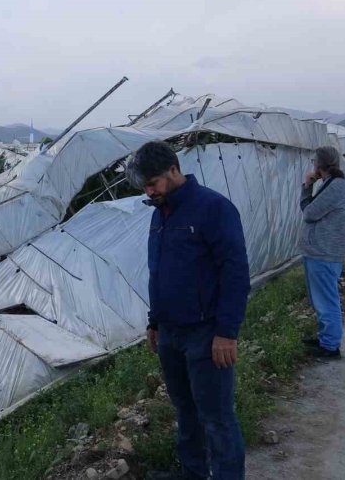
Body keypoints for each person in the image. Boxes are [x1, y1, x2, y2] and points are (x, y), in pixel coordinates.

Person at [128, 141, 250, 480]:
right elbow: (159, 272)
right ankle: (193, 473)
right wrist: (154, 322)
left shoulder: (213, 208)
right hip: (170, 333)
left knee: (217, 417)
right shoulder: (160, 214)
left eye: (152, 183)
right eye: (144, 186)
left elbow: (235, 272)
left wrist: (227, 332)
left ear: (173, 170)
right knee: (185, 410)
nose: (149, 191)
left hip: (206, 333)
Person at [300, 146, 345, 359]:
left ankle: (331, 346)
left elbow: (309, 213)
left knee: (326, 301)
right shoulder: (333, 184)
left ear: (319, 165)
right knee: (321, 300)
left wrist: (306, 186)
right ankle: (326, 339)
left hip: (323, 253)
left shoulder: (336, 187)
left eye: (314, 161)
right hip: (321, 252)